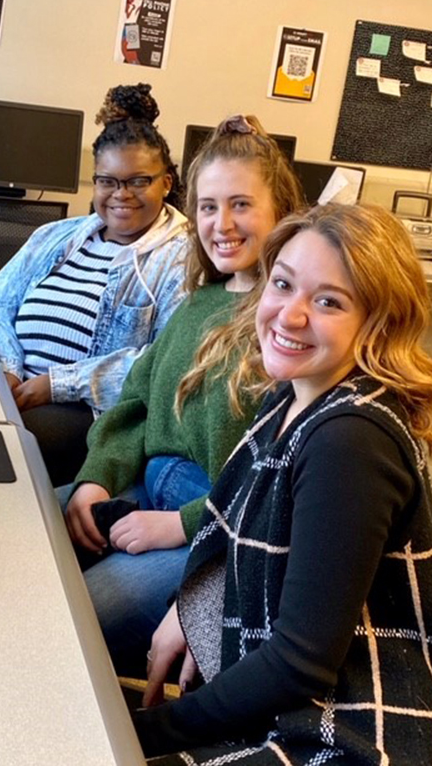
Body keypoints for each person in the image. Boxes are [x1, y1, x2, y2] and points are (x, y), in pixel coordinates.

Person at [132, 203, 432, 765]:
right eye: (283, 285)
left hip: (345, 733)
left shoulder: (350, 441)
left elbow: (300, 662)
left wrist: (150, 731)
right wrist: (187, 608)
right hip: (290, 707)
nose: (289, 316)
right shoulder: (292, 398)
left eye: (328, 302)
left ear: (379, 322)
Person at [62, 113, 303, 674]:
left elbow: (274, 478)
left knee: (80, 620)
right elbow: (135, 404)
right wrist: (96, 475)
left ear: (282, 213)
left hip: (214, 534)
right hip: (142, 491)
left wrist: (180, 524)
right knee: (22, 536)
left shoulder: (286, 322)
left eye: (241, 204)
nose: (221, 223)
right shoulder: (198, 303)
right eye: (208, 206)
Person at [0, 83, 188, 485]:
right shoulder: (56, 235)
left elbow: (162, 363)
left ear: (165, 183)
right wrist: (9, 369)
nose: (120, 195)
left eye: (137, 181)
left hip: (86, 411)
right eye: (107, 181)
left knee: (0, 449)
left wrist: (54, 385)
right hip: (11, 383)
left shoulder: (183, 258)